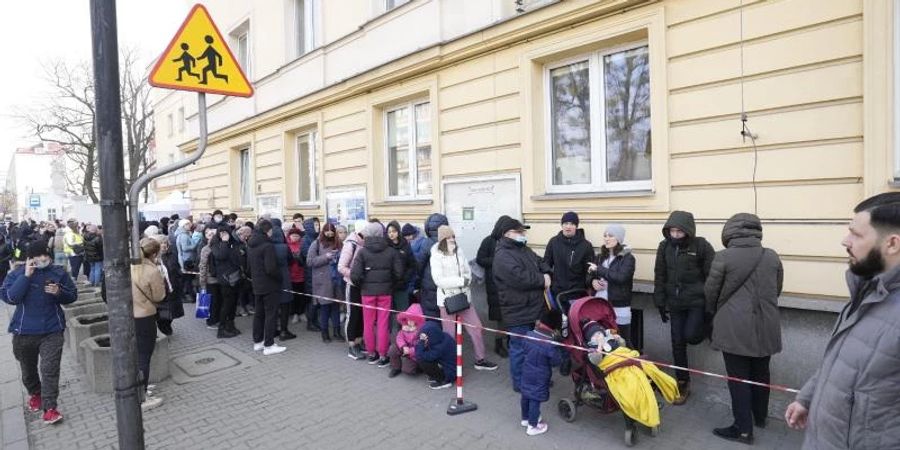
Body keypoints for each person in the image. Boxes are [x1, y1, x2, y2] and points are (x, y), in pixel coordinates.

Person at [785, 193, 900, 448]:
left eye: (856, 234)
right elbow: (841, 364)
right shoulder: (866, 290)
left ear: (892, 244)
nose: (845, 241)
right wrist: (807, 399)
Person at [704, 213, 783, 445]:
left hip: (733, 326)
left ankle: (743, 429)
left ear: (729, 231)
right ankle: (760, 417)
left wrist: (715, 312)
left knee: (738, 378)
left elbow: (711, 293)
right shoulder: (771, 256)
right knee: (761, 374)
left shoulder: (723, 257)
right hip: (767, 324)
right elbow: (777, 289)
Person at [1, 243, 77, 424]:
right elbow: (11, 298)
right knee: (28, 370)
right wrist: (26, 277)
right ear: (30, 258)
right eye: (38, 256)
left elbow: (72, 296)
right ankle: (36, 393)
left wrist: (59, 292)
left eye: (45, 255)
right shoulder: (17, 274)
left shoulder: (58, 272)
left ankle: (50, 408)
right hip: (23, 332)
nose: (43, 259)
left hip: (52, 330)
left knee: (49, 370)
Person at [653, 210, 716, 404]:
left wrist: (710, 306)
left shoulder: (701, 246)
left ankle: (708, 327)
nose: (675, 235)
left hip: (697, 302)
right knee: (677, 342)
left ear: (688, 231)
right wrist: (659, 301)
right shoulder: (664, 247)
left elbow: (712, 276)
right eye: (672, 231)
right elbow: (660, 275)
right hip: (675, 302)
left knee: (691, 336)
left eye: (679, 232)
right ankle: (683, 382)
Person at [493, 217, 552, 392]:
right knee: (518, 349)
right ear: (507, 234)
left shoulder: (524, 249)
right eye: (520, 232)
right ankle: (520, 383)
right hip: (517, 310)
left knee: (536, 348)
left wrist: (547, 272)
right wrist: (542, 279)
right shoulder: (503, 255)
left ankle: (537, 379)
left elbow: (541, 262)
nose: (523, 234)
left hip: (534, 308)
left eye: (523, 232)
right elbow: (520, 278)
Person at [431, 225, 498, 371]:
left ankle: (480, 360)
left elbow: (467, 271)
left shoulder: (459, 251)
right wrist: (461, 281)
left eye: (453, 236)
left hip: (464, 299)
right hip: (447, 300)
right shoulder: (436, 255)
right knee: (449, 334)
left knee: (477, 328)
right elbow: (438, 280)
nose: (452, 239)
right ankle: (450, 363)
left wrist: (467, 279)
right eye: (449, 237)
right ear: (442, 239)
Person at [351, 222, 402, 366]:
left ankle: (372, 353)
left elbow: (355, 275)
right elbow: (399, 273)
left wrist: (363, 285)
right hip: (385, 292)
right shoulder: (391, 251)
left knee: (368, 323)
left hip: (367, 293)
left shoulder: (362, 251)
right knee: (383, 324)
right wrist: (390, 284)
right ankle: (383, 355)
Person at [131, 238, 166, 411]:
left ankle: (138, 387)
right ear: (154, 253)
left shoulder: (127, 265)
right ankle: (141, 396)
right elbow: (159, 296)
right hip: (145, 316)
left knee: (135, 355)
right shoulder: (151, 271)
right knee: (144, 356)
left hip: (128, 316)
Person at [587, 224, 636, 346]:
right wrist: (592, 282)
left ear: (618, 239)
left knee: (623, 340)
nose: (606, 239)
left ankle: (630, 363)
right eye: (605, 236)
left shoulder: (628, 258)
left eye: (610, 236)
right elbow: (588, 275)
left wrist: (599, 270)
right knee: (604, 340)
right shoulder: (600, 257)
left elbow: (621, 278)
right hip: (600, 304)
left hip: (619, 305)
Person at [520, 309, 564, 436]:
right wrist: (558, 344)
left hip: (526, 370)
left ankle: (525, 418)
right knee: (535, 398)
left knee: (525, 395)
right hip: (540, 375)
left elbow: (523, 347)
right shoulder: (549, 344)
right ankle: (532, 426)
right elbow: (556, 361)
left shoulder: (529, 334)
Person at [248, 220, 286, 356]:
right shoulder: (267, 246)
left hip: (257, 284)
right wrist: (280, 278)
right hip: (269, 285)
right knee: (271, 315)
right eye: (271, 230)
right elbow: (271, 268)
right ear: (267, 231)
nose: (272, 233)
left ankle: (258, 342)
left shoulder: (251, 244)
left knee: (259, 314)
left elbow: (249, 267)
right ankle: (269, 345)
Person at [543, 211, 594, 311]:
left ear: (576, 226)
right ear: (562, 225)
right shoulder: (554, 242)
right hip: (557, 293)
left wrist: (591, 282)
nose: (568, 226)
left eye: (572, 224)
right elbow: (546, 262)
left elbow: (590, 269)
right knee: (558, 324)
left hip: (577, 294)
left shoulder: (586, 245)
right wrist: (546, 275)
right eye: (565, 223)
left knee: (574, 323)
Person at [477, 216, 511, 358]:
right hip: (494, 285)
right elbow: (480, 259)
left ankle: (509, 341)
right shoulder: (489, 241)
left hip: (509, 284)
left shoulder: (511, 241)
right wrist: (498, 260)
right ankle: (499, 344)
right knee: (501, 317)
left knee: (509, 315)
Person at [307, 222, 343, 342]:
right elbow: (310, 261)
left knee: (336, 308)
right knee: (325, 308)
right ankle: (325, 333)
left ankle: (337, 332)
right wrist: (326, 257)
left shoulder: (338, 243)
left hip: (336, 280)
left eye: (331, 231)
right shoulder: (316, 243)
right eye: (327, 231)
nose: (329, 234)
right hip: (323, 281)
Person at [339, 220, 368, 360]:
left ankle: (359, 342)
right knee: (353, 315)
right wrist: (356, 275)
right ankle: (351, 346)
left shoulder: (365, 244)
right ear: (359, 233)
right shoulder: (350, 244)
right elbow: (341, 267)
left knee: (361, 315)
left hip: (363, 285)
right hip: (352, 284)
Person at [413, 213, 450, 320]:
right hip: (446, 282)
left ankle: (432, 333)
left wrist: (417, 283)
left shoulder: (426, 243)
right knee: (446, 312)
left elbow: (419, 265)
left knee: (431, 312)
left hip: (429, 282)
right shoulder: (450, 242)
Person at [211, 226, 243, 338]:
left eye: (226, 232)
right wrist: (224, 242)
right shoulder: (215, 245)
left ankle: (230, 325)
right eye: (221, 233)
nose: (224, 235)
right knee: (226, 304)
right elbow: (221, 256)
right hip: (225, 279)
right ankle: (221, 329)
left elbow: (238, 259)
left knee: (233, 303)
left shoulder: (234, 244)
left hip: (235, 277)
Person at [152, 235, 184, 336]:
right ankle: (164, 329)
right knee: (163, 313)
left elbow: (177, 269)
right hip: (161, 289)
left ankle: (167, 326)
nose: (164, 245)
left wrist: (179, 279)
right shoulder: (153, 259)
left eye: (165, 243)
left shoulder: (172, 254)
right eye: (161, 243)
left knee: (173, 312)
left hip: (173, 287)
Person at [270, 218, 296, 341]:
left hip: (272, 279)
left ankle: (274, 329)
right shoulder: (284, 247)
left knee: (274, 306)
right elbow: (291, 261)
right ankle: (284, 331)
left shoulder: (267, 246)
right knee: (285, 306)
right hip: (284, 278)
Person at [386, 221, 416, 329]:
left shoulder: (405, 245)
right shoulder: (385, 246)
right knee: (388, 314)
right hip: (388, 286)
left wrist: (405, 278)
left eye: (394, 231)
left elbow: (412, 265)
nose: (391, 234)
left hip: (402, 285)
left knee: (402, 314)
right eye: (389, 232)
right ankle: (389, 338)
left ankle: (402, 338)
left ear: (398, 232)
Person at [415, 321, 456, 390]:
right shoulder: (444, 336)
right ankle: (437, 375)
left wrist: (421, 342)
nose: (423, 337)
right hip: (452, 366)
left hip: (450, 372)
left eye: (425, 336)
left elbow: (420, 355)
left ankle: (444, 380)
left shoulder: (439, 348)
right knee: (425, 356)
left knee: (423, 361)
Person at [388, 304, 425, 378]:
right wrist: (403, 346)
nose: (409, 321)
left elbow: (421, 345)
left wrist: (410, 351)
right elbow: (399, 337)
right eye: (408, 319)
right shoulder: (405, 327)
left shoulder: (422, 331)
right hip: (405, 349)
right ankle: (396, 367)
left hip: (414, 353)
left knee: (408, 370)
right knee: (392, 349)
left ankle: (419, 368)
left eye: (413, 319)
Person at [198, 228, 221, 330]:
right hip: (211, 279)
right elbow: (202, 266)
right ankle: (211, 321)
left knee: (216, 301)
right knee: (213, 301)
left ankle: (215, 319)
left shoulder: (215, 248)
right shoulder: (206, 249)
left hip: (215, 279)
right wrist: (202, 281)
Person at [300, 218, 321, 331]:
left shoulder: (316, 238)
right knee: (312, 299)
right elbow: (306, 255)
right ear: (309, 227)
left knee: (316, 299)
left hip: (317, 273)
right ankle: (311, 323)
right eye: (315, 225)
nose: (318, 227)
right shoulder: (306, 239)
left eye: (318, 224)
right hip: (310, 273)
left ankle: (315, 321)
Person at [286, 228, 307, 333]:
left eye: (297, 235)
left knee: (301, 295)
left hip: (301, 274)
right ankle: (295, 314)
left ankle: (301, 312)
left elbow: (306, 258)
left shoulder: (302, 245)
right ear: (289, 236)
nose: (295, 237)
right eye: (293, 235)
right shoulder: (286, 246)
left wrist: (300, 259)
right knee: (293, 297)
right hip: (291, 275)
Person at [175, 219, 200, 303]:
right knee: (188, 280)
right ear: (183, 226)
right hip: (187, 260)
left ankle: (184, 296)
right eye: (188, 224)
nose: (190, 226)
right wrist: (195, 244)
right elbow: (185, 248)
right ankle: (192, 296)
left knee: (186, 280)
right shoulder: (184, 235)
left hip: (185, 259)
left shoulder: (183, 234)